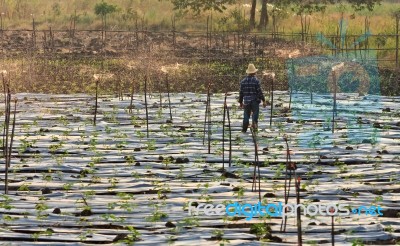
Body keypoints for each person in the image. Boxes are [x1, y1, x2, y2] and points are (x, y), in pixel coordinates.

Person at [239, 64, 267, 133]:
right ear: (254, 72)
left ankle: (244, 130)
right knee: (255, 115)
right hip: (255, 100)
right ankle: (254, 128)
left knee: (246, 115)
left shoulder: (243, 82)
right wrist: (263, 100)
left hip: (246, 101)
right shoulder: (256, 81)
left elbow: (241, 93)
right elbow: (259, 92)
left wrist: (240, 102)